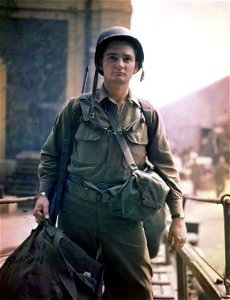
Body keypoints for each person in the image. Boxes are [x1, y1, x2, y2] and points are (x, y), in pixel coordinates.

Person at [33, 26, 187, 300]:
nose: (120, 64)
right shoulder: (76, 109)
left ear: (137, 67)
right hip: (77, 212)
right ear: (101, 65)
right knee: (69, 287)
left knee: (136, 289)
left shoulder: (147, 115)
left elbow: (166, 168)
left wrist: (177, 216)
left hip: (124, 214)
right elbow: (52, 155)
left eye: (127, 59)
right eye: (112, 58)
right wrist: (44, 193)